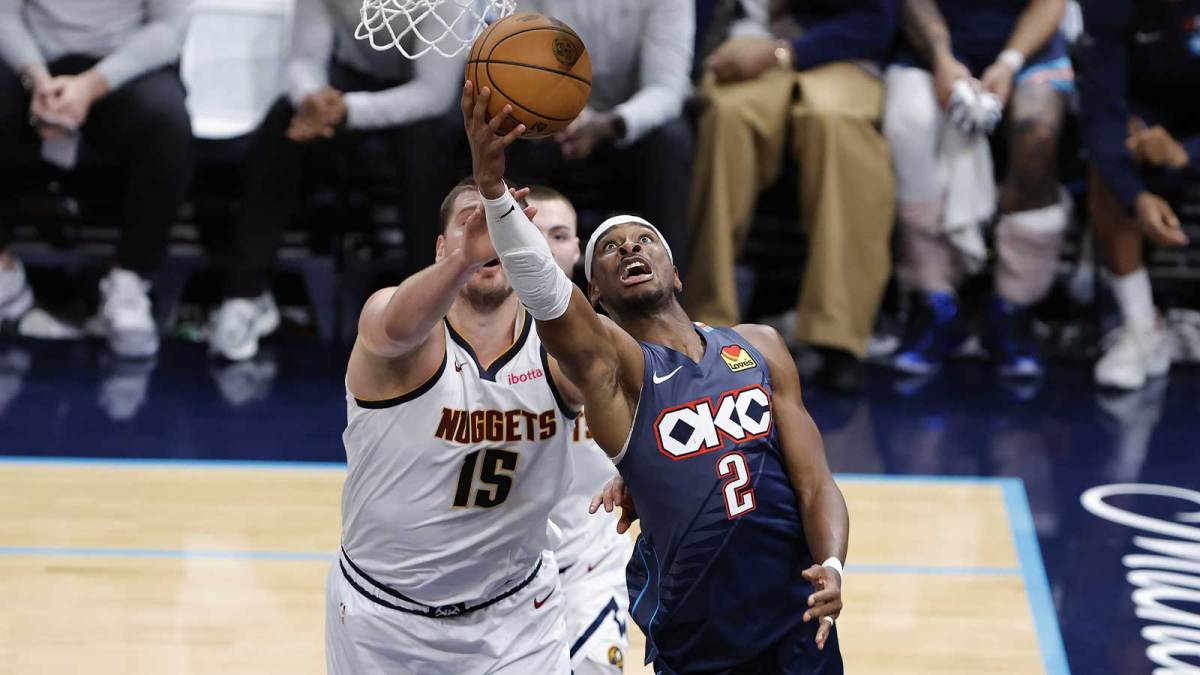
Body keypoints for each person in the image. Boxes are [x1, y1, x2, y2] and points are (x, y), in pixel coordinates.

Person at [466, 83, 849, 674]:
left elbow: (815, 483)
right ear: (594, 290)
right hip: (701, 640)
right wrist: (494, 194)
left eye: (645, 239)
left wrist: (834, 563)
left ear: (675, 272)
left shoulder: (762, 346)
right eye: (611, 249)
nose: (630, 249)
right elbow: (547, 295)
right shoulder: (618, 371)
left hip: (796, 628)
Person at [328, 179, 580, 674]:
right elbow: (393, 328)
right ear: (441, 246)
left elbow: (633, 386)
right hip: (384, 621)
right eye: (470, 222)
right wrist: (465, 258)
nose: (487, 233)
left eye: (501, 224)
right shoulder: (394, 325)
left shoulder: (558, 346)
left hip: (517, 617)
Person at [207, 0, 462, 361]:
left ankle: (427, 313)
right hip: (353, 78)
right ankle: (246, 294)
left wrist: (347, 112)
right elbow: (303, 60)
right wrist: (311, 101)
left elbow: (433, 95)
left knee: (426, 144)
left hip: (424, 94)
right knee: (284, 121)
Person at [685, 0, 897, 392]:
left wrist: (781, 52)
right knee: (725, 116)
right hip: (740, 44)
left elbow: (875, 22)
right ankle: (707, 325)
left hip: (838, 53)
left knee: (836, 123)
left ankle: (839, 336)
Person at [884, 0, 1073, 379]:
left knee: (1037, 136)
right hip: (929, 49)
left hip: (1027, 51)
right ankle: (933, 298)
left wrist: (1008, 62)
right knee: (909, 123)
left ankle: (1014, 308)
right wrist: (941, 57)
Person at [0, 0, 193, 358]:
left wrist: (91, 86)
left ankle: (130, 282)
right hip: (31, 61)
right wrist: (39, 80)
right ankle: (3, 276)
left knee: (168, 123)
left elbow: (169, 29)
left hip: (120, 64)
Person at [502, 0, 695, 277]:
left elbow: (666, 89)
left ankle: (667, 293)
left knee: (672, 141)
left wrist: (610, 124)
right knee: (510, 131)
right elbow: (518, 64)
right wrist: (564, 111)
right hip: (553, 115)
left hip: (628, 127)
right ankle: (516, 287)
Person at [529, 185, 633, 675]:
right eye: (533, 233)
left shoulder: (624, 341)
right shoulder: (477, 341)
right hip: (503, 570)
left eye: (560, 234)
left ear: (577, 249)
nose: (547, 245)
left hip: (591, 563)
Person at [1075, 0, 1200, 390]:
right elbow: (1102, 111)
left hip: (1191, 136)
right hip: (1142, 125)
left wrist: (1188, 153)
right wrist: (1135, 197)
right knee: (1108, 165)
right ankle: (1139, 326)